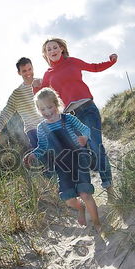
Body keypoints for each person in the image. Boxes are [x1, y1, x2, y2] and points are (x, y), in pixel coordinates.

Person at [36, 38, 118, 201]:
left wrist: (111, 61)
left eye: (55, 47)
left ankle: (109, 188)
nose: (52, 50)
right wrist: (36, 86)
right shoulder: (48, 75)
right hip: (68, 118)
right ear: (45, 54)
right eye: (48, 49)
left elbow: (94, 67)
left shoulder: (72, 62)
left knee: (96, 146)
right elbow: (43, 98)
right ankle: (85, 193)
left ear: (61, 49)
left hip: (87, 109)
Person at [23, 88, 101, 230]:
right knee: (69, 199)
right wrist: (34, 154)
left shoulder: (68, 118)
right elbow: (42, 146)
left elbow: (86, 130)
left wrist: (84, 137)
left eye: (50, 107)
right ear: (38, 110)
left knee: (85, 193)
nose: (47, 112)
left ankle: (97, 224)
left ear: (56, 104)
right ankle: (80, 208)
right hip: (61, 164)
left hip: (78, 158)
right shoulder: (42, 128)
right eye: (42, 109)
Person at [0, 57, 42, 148]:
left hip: (49, 124)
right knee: (45, 157)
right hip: (33, 130)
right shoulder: (17, 94)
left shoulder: (43, 83)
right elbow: (6, 112)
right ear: (19, 73)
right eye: (24, 71)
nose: (28, 73)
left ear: (33, 68)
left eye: (29, 69)